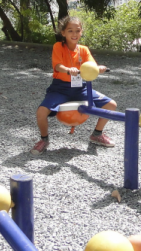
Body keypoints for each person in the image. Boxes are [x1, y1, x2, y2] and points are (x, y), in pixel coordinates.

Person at [31, 16, 117, 155]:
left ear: (81, 32)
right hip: (60, 88)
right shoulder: (58, 46)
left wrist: (99, 68)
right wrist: (67, 69)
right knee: (41, 111)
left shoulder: (83, 49)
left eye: (77, 30)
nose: (74, 34)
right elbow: (57, 66)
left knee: (111, 105)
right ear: (63, 33)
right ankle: (44, 139)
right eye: (70, 31)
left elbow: (91, 66)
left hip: (80, 88)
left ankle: (97, 134)